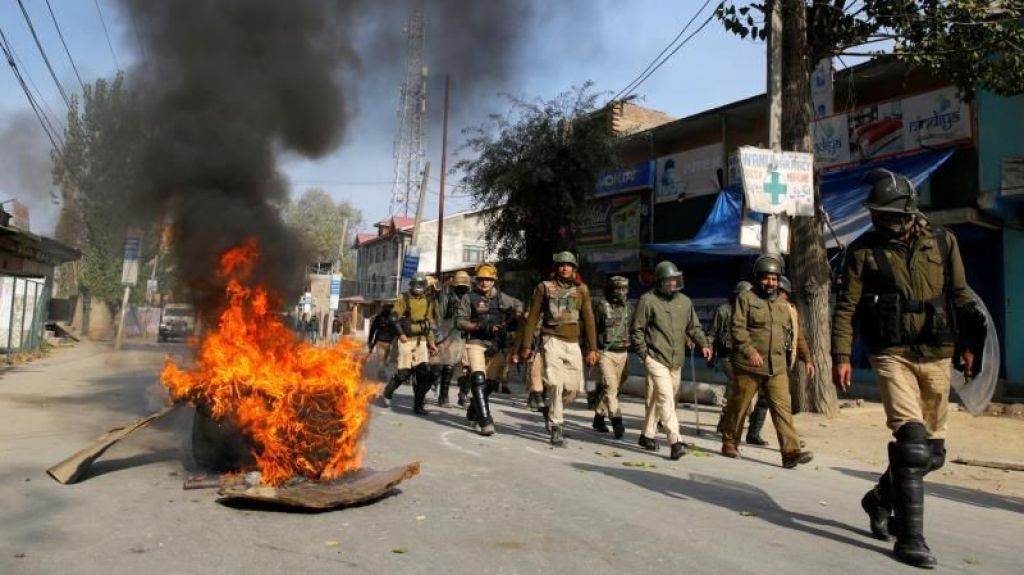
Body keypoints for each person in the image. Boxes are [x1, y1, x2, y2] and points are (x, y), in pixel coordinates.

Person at [832, 168, 984, 568]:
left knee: (932, 454)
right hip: (891, 351)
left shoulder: (942, 241)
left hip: (937, 349)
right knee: (912, 443)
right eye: (875, 213)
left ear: (908, 212)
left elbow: (961, 294)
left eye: (885, 213)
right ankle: (911, 539)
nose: (877, 219)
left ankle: (879, 498)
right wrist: (842, 355)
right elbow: (846, 306)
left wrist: (971, 344)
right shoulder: (862, 250)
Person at [720, 255, 814, 468]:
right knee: (739, 406)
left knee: (783, 410)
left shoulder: (783, 305)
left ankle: (790, 452)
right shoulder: (746, 299)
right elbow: (737, 329)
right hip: (749, 366)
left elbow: (795, 335)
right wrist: (749, 351)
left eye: (774, 279)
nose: (770, 283)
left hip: (777, 367)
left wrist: (806, 358)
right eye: (766, 279)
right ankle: (730, 441)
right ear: (757, 278)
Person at [630, 261, 711, 460]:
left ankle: (647, 435)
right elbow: (636, 329)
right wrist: (644, 354)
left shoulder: (685, 301)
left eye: (675, 280)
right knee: (666, 398)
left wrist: (704, 344)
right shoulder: (647, 300)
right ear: (659, 281)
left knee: (662, 397)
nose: (672, 284)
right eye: (668, 280)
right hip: (655, 357)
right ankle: (675, 441)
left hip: (676, 360)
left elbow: (694, 327)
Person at [519, 251, 598, 447]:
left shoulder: (582, 290)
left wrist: (593, 348)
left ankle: (551, 409)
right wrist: (527, 346)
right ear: (556, 268)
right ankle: (556, 426)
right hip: (551, 339)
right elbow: (532, 319)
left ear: (574, 269)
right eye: (561, 265)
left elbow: (589, 320)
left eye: (569, 265)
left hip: (573, 342)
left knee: (573, 389)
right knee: (555, 383)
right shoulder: (544, 288)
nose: (565, 268)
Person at [455, 263, 522, 436]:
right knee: (478, 378)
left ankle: (473, 409)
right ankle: (485, 421)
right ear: (477, 280)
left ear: (494, 281)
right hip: (476, 342)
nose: (484, 283)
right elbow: (460, 322)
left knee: (490, 385)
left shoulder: (501, 298)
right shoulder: (469, 298)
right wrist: (478, 326)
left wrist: (518, 317)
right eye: (482, 279)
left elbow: (519, 307)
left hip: (496, 345)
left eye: (488, 279)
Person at [381, 273, 438, 415]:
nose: (418, 288)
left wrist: (431, 343)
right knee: (404, 373)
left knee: (424, 374)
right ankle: (388, 391)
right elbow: (394, 317)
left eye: (421, 285)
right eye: (415, 285)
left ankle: (418, 405)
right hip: (406, 339)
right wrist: (401, 334)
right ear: (411, 285)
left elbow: (429, 324)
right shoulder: (404, 298)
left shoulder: (429, 301)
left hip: (422, 340)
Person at [591, 275, 634, 439]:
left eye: (624, 288)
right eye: (617, 288)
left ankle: (598, 418)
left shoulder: (629, 308)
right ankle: (617, 421)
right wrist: (592, 350)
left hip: (623, 353)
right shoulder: (601, 306)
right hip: (606, 352)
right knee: (610, 387)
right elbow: (593, 329)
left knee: (615, 388)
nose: (621, 292)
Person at [710, 281, 753, 434]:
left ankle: (739, 419)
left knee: (744, 387)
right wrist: (709, 350)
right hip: (726, 355)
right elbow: (713, 333)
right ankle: (725, 419)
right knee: (735, 382)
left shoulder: (751, 312)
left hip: (744, 355)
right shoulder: (724, 310)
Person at [432, 270, 472, 408]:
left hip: (467, 336)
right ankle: (443, 396)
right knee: (448, 367)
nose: (462, 287)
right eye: (459, 284)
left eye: (464, 284)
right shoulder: (447, 297)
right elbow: (441, 315)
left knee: (469, 368)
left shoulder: (470, 298)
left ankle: (463, 395)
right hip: (450, 335)